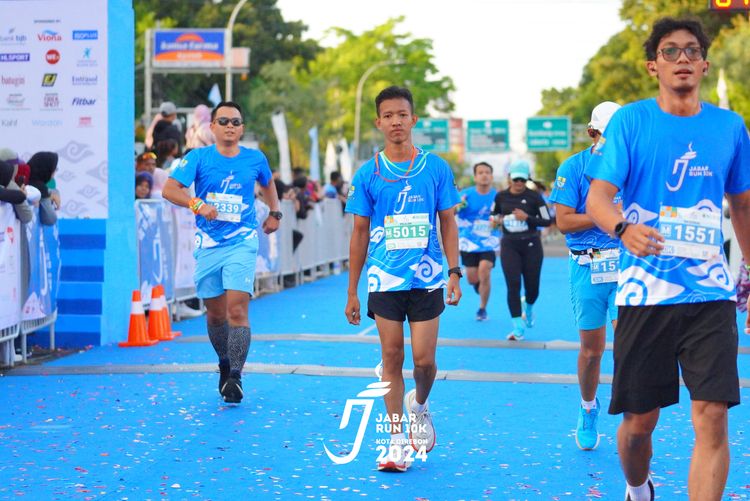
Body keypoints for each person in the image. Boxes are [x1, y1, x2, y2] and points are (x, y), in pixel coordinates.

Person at [585, 17, 750, 501]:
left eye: (692, 51)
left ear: (704, 64)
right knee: (639, 425)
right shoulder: (631, 122)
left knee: (713, 416)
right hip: (645, 294)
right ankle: (638, 488)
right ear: (652, 65)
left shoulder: (729, 127)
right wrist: (623, 228)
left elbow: (742, 204)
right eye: (671, 51)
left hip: (709, 293)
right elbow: (598, 198)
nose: (683, 59)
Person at [344, 85, 462, 473]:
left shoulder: (436, 168)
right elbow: (360, 232)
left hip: (427, 278)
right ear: (378, 122)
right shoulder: (368, 173)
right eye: (388, 116)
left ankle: (420, 406)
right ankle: (396, 442)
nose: (396, 121)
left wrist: (454, 272)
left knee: (424, 363)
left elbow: (448, 222)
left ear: (413, 120)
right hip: (384, 279)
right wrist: (352, 291)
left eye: (402, 115)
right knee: (391, 356)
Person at [162, 101, 282, 404]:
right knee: (215, 315)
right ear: (212, 127)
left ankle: (236, 377)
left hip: (242, 241)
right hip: (208, 244)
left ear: (242, 129)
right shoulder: (198, 157)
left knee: (237, 311)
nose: (230, 126)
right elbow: (169, 189)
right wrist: (197, 204)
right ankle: (225, 363)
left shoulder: (255, 158)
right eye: (224, 121)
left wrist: (275, 212)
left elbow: (268, 184)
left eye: (236, 122)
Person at [549, 101, 621, 452]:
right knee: (592, 351)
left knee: (631, 345)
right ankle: (588, 407)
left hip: (627, 266)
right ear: (593, 133)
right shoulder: (573, 167)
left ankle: (635, 415)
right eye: (608, 135)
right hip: (587, 266)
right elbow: (564, 222)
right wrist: (604, 213)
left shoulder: (636, 166)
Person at [491, 159, 551, 340]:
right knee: (513, 284)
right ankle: (518, 327)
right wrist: (496, 220)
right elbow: (493, 215)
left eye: (522, 180)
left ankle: (529, 307)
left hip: (531, 245)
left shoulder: (535, 197)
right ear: (509, 177)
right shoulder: (500, 196)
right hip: (509, 245)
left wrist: (527, 217)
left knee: (532, 288)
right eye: (516, 179)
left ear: (527, 179)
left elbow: (547, 220)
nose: (519, 183)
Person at [456, 161, 500, 321]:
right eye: (480, 172)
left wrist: (499, 220)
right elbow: (452, 211)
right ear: (475, 177)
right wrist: (458, 206)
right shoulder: (465, 195)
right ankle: (479, 286)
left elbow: (504, 215)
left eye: (487, 172)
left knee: (485, 270)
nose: (484, 175)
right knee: (472, 279)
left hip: (489, 241)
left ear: (492, 176)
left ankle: (482, 308)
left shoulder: (498, 196)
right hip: (468, 241)